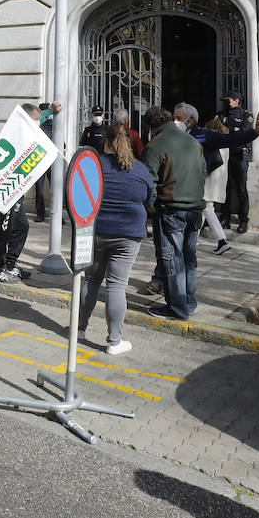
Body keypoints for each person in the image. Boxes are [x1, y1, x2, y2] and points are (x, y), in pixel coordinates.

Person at [78, 123, 154, 355]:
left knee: (91, 280)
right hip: (128, 235)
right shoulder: (140, 170)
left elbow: (79, 195)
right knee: (117, 285)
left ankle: (79, 330)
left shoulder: (94, 165)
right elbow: (149, 200)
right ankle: (114, 341)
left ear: (106, 142)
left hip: (96, 231)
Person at [139, 105, 206, 320]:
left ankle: (177, 308)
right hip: (195, 209)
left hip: (171, 210)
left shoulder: (154, 146)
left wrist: (150, 206)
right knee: (189, 258)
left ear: (151, 126)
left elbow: (147, 184)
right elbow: (202, 173)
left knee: (172, 260)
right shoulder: (193, 142)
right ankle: (188, 302)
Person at [174, 103, 259, 255]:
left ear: (191, 119)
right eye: (174, 117)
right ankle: (197, 244)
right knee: (202, 212)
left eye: (179, 118)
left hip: (198, 186)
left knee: (204, 210)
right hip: (181, 190)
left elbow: (230, 139)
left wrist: (253, 133)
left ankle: (203, 243)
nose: (176, 121)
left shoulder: (203, 134)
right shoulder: (175, 136)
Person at [0, 103, 41, 283]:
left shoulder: (26, 134)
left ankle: (10, 264)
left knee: (21, 226)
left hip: (17, 191)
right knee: (4, 230)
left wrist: (52, 110)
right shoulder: (13, 136)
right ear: (27, 120)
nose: (38, 122)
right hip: (5, 191)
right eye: (36, 119)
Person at [218, 92, 257, 233]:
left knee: (241, 189)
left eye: (228, 100)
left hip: (240, 156)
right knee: (224, 188)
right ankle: (225, 218)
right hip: (225, 154)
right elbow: (217, 130)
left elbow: (245, 133)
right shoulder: (221, 115)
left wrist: (230, 131)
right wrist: (233, 130)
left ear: (236, 100)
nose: (226, 103)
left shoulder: (246, 115)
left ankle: (243, 220)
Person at [34, 100, 62, 222]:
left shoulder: (37, 129)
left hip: (40, 162)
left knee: (39, 190)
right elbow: (63, 146)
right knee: (55, 190)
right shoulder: (54, 128)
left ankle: (40, 215)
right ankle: (58, 216)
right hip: (52, 163)